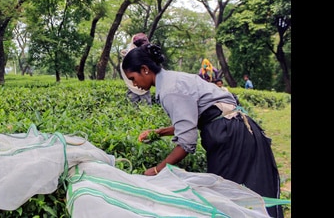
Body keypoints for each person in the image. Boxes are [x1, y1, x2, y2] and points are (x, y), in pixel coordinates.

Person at [122, 44, 284, 218]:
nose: (134, 84)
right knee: (244, 192)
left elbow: (186, 142)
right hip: (235, 129)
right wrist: (160, 132)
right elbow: (194, 121)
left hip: (230, 136)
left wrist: (156, 170)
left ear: (145, 70)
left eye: (133, 78)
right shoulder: (173, 79)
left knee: (229, 198)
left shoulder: (170, 90)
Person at [120, 33, 152, 106]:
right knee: (135, 110)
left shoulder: (144, 54)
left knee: (144, 111)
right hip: (134, 88)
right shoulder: (130, 55)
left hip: (143, 89)